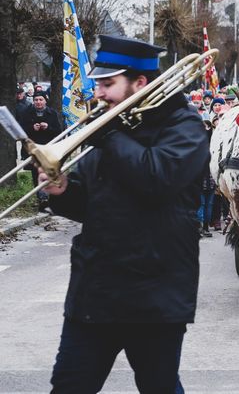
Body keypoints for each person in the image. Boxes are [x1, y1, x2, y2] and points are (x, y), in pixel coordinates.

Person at [38, 34, 209, 393]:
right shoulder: (106, 129)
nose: (98, 93)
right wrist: (63, 191)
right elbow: (90, 204)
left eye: (107, 84)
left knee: (158, 386)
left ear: (140, 82)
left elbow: (157, 179)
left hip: (155, 295)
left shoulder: (184, 126)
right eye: (98, 83)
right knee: (68, 386)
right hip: (95, 293)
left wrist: (110, 136)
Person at [20, 90, 62, 211]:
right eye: (36, 100)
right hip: (33, 148)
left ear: (45, 101)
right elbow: (21, 131)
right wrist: (32, 128)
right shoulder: (27, 113)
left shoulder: (52, 113)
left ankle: (50, 198)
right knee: (36, 174)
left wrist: (48, 127)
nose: (38, 102)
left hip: (48, 148)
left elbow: (58, 131)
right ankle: (42, 199)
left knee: (48, 172)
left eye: (40, 100)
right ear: (33, 102)